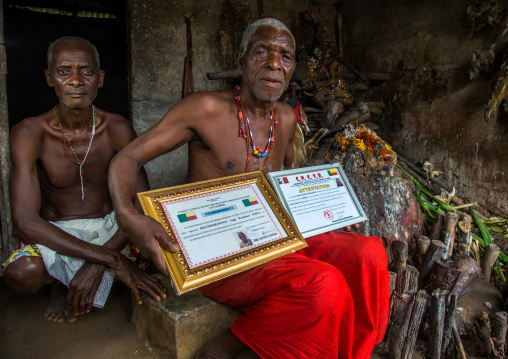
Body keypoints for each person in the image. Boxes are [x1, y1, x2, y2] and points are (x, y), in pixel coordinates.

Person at [109, 19, 389, 359]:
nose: (274, 63)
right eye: (262, 52)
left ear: (292, 69)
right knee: (323, 283)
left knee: (368, 253)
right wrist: (128, 216)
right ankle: (226, 347)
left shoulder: (285, 117)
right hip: (218, 248)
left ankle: (351, 352)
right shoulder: (205, 109)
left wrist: (323, 215)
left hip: (273, 236)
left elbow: (286, 182)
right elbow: (127, 157)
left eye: (285, 56)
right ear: (241, 60)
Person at [3, 36, 166, 323]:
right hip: (56, 232)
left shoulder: (117, 128)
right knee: (22, 274)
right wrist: (109, 259)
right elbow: (25, 222)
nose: (76, 80)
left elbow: (140, 204)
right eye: (64, 71)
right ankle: (64, 283)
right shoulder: (30, 132)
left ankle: (89, 277)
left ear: (100, 79)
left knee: (166, 249)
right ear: (49, 78)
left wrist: (100, 258)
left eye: (87, 71)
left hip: (111, 224)